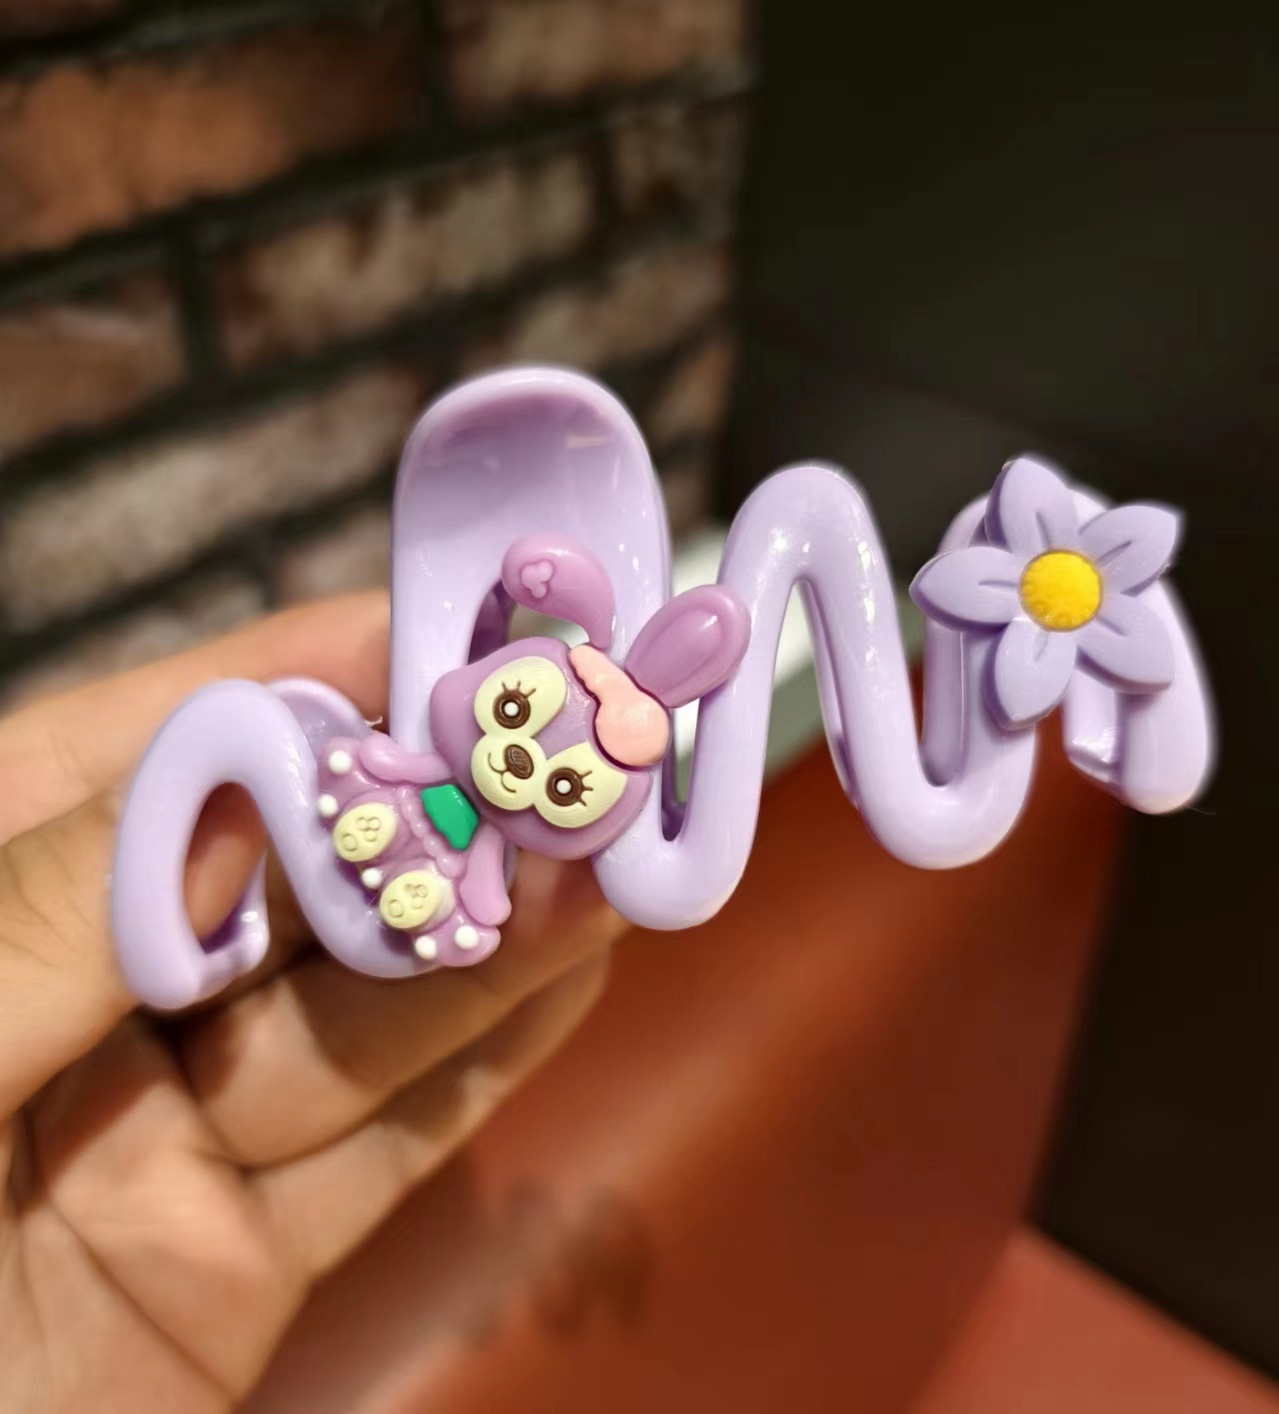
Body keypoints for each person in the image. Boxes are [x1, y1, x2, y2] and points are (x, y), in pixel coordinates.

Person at [0, 592, 621, 1411]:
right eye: (512, 712)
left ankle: (204, 924)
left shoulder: (484, 844)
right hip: (336, 822)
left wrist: (466, 913)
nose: (517, 764)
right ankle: (199, 920)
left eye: (563, 784)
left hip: (384, 905)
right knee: (242, 719)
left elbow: (479, 898)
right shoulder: (370, 733)